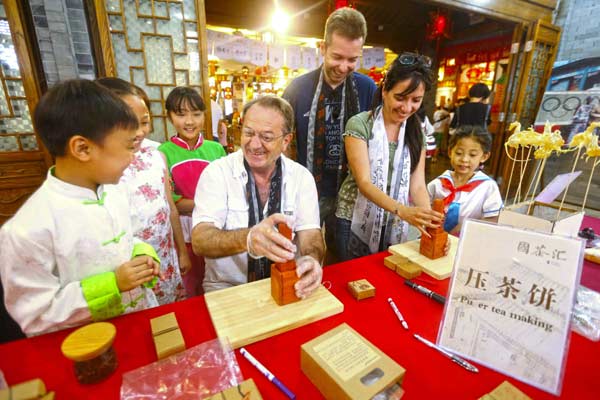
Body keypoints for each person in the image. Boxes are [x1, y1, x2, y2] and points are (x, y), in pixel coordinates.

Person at [0, 79, 161, 336]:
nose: (134, 158)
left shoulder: (113, 190)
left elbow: (129, 237)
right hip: (83, 345)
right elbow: (36, 315)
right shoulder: (28, 229)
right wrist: (113, 284)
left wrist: (142, 255)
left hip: (137, 321)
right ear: (82, 148)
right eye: (129, 147)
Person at [191, 96, 323, 296]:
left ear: (286, 141)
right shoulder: (217, 173)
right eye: (248, 133)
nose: (254, 145)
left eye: (267, 137)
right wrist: (249, 239)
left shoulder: (301, 177)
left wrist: (311, 260)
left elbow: (310, 235)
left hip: (287, 283)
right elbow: (200, 240)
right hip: (228, 288)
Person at [282, 7, 377, 256]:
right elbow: (282, 142)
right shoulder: (298, 89)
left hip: (351, 194)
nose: (344, 66)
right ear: (322, 48)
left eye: (352, 60)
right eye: (337, 57)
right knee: (301, 258)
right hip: (306, 192)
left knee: (344, 259)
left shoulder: (367, 88)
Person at [335, 53, 444, 261]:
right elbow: (364, 183)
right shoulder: (360, 125)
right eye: (400, 98)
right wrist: (402, 211)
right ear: (385, 90)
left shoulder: (416, 132)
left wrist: (429, 220)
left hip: (392, 221)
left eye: (416, 100)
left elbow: (418, 185)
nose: (407, 107)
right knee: (353, 282)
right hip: (354, 219)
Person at [97, 77, 188, 305]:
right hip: (128, 267)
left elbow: (169, 206)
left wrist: (182, 251)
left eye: (144, 122)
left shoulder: (156, 153)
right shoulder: (98, 164)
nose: (138, 132)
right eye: (128, 123)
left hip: (165, 257)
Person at [158, 86, 226, 297]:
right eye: (181, 114)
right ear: (169, 116)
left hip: (216, 229)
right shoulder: (162, 154)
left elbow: (228, 192)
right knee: (189, 286)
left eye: (196, 114)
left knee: (217, 283)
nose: (189, 121)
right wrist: (209, 203)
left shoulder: (215, 149)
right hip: (183, 234)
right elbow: (171, 204)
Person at [427, 125, 502, 234]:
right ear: (450, 152)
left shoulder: (488, 187)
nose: (464, 159)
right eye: (458, 153)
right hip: (434, 239)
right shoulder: (437, 184)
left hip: (469, 242)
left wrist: (466, 229)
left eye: (472, 155)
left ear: (484, 157)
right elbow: (424, 211)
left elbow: (493, 218)